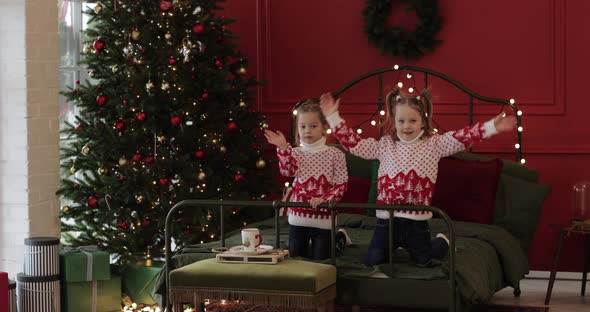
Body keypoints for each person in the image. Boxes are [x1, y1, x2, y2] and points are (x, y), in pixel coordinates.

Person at [320, 88, 517, 267]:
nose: (406, 126)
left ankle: (442, 241)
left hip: (416, 223)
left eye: (412, 121)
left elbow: (463, 137)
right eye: (401, 121)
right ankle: (347, 239)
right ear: (394, 121)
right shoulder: (384, 145)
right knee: (372, 261)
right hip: (386, 222)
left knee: (425, 260)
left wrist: (493, 127)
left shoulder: (435, 144)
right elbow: (354, 144)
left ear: (423, 121)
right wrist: (332, 117)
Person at [264, 100, 350, 260]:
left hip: (324, 220)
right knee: (296, 259)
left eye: (313, 126)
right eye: (302, 127)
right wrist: (283, 148)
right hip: (298, 218)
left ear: (324, 128)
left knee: (321, 259)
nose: (307, 131)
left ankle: (339, 238)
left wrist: (325, 198)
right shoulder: (295, 153)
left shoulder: (335, 154)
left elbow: (341, 184)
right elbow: (286, 171)